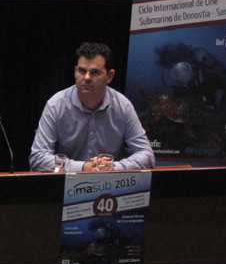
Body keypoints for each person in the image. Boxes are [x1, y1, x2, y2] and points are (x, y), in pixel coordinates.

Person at [30, 43, 155, 172]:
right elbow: (38, 157)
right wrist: (82, 167)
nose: (87, 77)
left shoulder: (123, 106)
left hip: (107, 182)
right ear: (75, 71)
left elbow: (146, 155)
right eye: (82, 71)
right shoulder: (56, 105)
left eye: (95, 72)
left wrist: (113, 167)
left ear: (109, 76)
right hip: (64, 182)